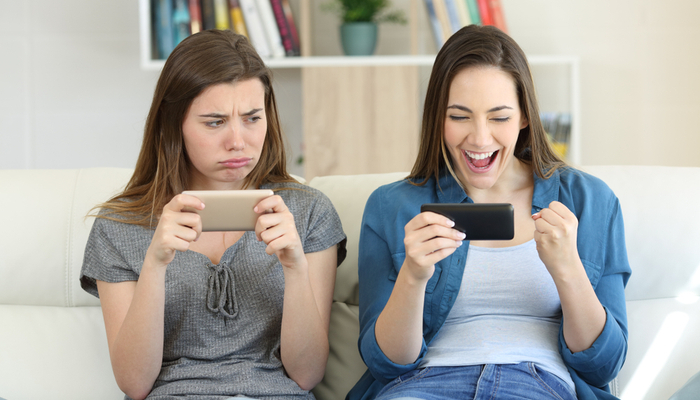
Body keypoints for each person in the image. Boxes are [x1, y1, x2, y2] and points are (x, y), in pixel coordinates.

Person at [347, 25, 630, 400]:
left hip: (537, 383)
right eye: (460, 117)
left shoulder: (592, 201)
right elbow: (385, 363)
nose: (480, 139)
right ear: (438, 118)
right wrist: (413, 276)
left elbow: (603, 365)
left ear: (525, 117)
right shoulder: (390, 206)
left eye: (499, 117)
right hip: (420, 386)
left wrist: (568, 269)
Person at [80, 30, 346, 400]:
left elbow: (307, 375)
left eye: (252, 118)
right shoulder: (119, 226)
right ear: (173, 125)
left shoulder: (308, 211)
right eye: (215, 122)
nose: (238, 141)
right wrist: (155, 264)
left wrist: (295, 268)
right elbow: (134, 384)